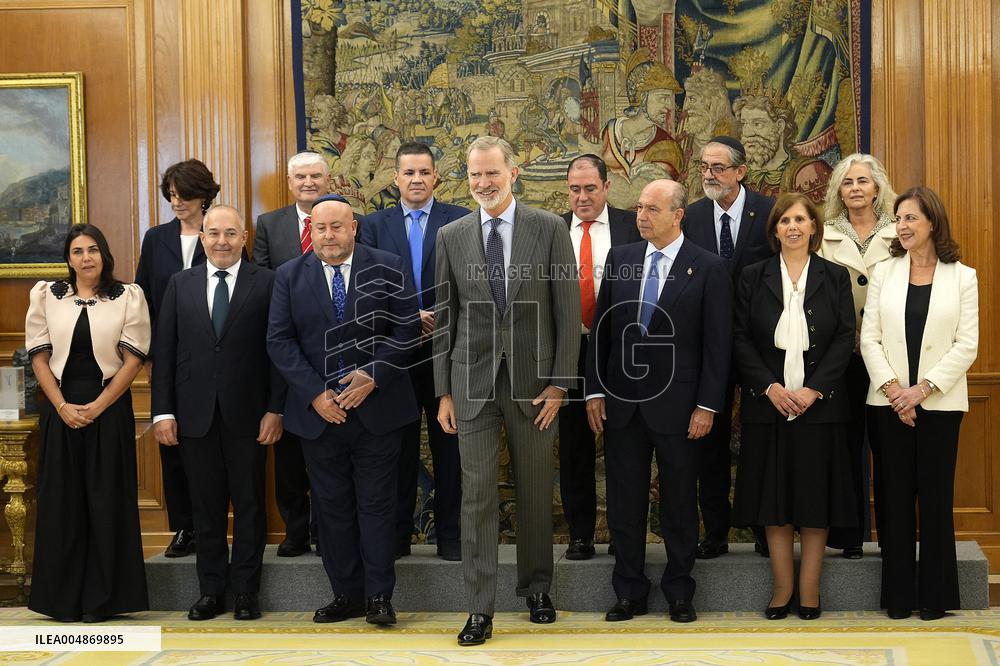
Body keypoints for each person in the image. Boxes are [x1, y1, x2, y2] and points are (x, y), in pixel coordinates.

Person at [434, 136, 579, 645]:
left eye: (492, 173)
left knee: (535, 489)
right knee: (475, 497)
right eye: (475, 174)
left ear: (513, 173)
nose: (483, 183)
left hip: (535, 385)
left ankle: (538, 589)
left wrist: (560, 383)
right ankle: (479, 609)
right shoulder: (451, 235)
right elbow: (445, 317)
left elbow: (567, 311)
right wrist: (443, 392)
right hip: (470, 383)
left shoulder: (549, 227)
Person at [267, 194, 421, 626]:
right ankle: (346, 595)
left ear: (353, 228)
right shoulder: (288, 275)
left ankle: (379, 597)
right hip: (320, 416)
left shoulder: (388, 266)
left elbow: (408, 328)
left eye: (337, 227)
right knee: (331, 509)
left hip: (378, 412)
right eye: (320, 228)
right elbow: (279, 341)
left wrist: (373, 375)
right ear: (310, 231)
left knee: (377, 506)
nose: (329, 235)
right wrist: (315, 394)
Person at [586, 179, 731, 624]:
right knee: (624, 504)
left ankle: (679, 591)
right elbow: (603, 330)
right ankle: (628, 592)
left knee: (679, 503)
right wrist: (595, 390)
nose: (642, 216)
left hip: (681, 408)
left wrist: (707, 405)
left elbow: (717, 346)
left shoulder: (708, 267)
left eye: (652, 209)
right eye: (639, 208)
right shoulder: (622, 258)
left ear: (677, 215)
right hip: (623, 405)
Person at [152, 206, 285, 621]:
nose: (222, 241)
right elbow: (165, 353)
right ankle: (211, 591)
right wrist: (162, 413)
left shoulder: (268, 282)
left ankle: (245, 592)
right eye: (214, 234)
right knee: (205, 509)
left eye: (230, 233)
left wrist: (275, 409)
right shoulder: (180, 284)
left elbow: (278, 351)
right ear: (202, 238)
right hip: (194, 417)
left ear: (244, 237)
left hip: (250, 416)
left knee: (250, 507)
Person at [731, 193, 857, 621]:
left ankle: (809, 589)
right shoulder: (753, 276)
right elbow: (740, 337)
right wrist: (770, 387)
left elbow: (844, 337)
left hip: (820, 408)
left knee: (815, 501)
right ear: (775, 230)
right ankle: (782, 588)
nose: (793, 227)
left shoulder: (834, 276)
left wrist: (814, 389)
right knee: (775, 501)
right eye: (785, 220)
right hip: (769, 407)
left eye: (800, 219)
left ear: (813, 227)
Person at [860, 186, 979, 621]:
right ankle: (898, 597)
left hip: (940, 406)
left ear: (932, 222)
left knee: (934, 499)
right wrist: (896, 391)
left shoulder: (963, 277)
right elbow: (869, 338)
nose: (902, 226)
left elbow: (967, 345)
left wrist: (922, 390)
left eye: (910, 217)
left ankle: (934, 596)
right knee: (892, 500)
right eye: (898, 219)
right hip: (887, 405)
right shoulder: (884, 272)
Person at [25, 224, 150, 623]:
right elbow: (39, 358)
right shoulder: (47, 295)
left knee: (107, 501)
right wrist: (62, 405)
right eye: (77, 251)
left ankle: (104, 601)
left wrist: (97, 406)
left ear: (104, 254)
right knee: (62, 503)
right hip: (60, 408)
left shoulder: (128, 296)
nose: (86, 258)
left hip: (108, 409)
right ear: (68, 258)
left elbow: (133, 360)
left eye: (93, 249)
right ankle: (61, 601)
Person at [359, 141, 470, 561]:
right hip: (395, 357)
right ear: (396, 178)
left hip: (447, 352)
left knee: (450, 452)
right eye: (409, 172)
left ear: (436, 176)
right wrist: (408, 315)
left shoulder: (460, 220)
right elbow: (367, 287)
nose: (417, 179)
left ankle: (451, 537)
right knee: (398, 453)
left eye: (424, 172)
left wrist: (440, 315)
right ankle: (398, 537)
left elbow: (471, 283)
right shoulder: (373, 225)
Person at [682, 136, 775, 559]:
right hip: (708, 347)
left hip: (761, 346)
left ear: (740, 171)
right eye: (704, 166)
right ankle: (715, 533)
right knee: (710, 444)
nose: (709, 174)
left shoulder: (769, 213)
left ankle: (763, 530)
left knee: (760, 441)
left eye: (718, 167)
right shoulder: (691, 217)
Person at [135, 159, 220, 558]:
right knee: (171, 443)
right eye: (171, 195)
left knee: (211, 446)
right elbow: (142, 298)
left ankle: (212, 525)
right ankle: (184, 527)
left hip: (214, 359)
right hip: (166, 358)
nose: (176, 202)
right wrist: (149, 356)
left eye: (183, 195)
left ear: (203, 196)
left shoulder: (220, 234)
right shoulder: (156, 239)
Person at [559, 154, 640, 560]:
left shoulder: (633, 226)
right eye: (575, 189)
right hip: (570, 353)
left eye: (590, 188)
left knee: (624, 448)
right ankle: (581, 535)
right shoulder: (553, 229)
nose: (582, 197)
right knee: (575, 449)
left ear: (607, 187)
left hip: (620, 353)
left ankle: (625, 536)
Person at [818, 153, 897, 559]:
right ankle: (848, 536)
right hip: (841, 357)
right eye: (848, 182)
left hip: (888, 356)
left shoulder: (899, 231)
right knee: (845, 445)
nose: (855, 189)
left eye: (863, 181)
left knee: (888, 446)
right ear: (838, 190)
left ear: (877, 187)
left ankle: (892, 536)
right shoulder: (824, 234)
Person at [253, 151, 331, 558]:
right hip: (285, 353)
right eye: (300, 177)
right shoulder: (270, 224)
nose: (308, 183)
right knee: (289, 454)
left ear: (328, 180)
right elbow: (262, 282)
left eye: (315, 176)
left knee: (329, 451)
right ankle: (295, 530)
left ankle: (325, 531)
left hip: (333, 351)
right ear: (289, 182)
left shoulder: (349, 220)